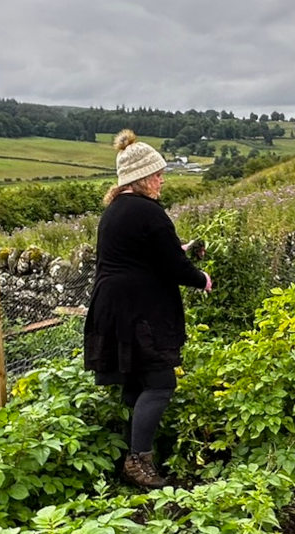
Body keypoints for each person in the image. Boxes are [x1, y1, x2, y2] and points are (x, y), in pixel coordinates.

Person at [83, 130, 211, 488]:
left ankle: (131, 455)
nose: (161, 180)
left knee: (137, 384)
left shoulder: (116, 210)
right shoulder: (148, 212)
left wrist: (178, 249)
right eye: (157, 175)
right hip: (138, 311)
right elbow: (172, 267)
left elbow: (141, 254)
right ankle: (138, 462)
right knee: (159, 382)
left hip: (114, 308)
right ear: (140, 179)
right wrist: (201, 278)